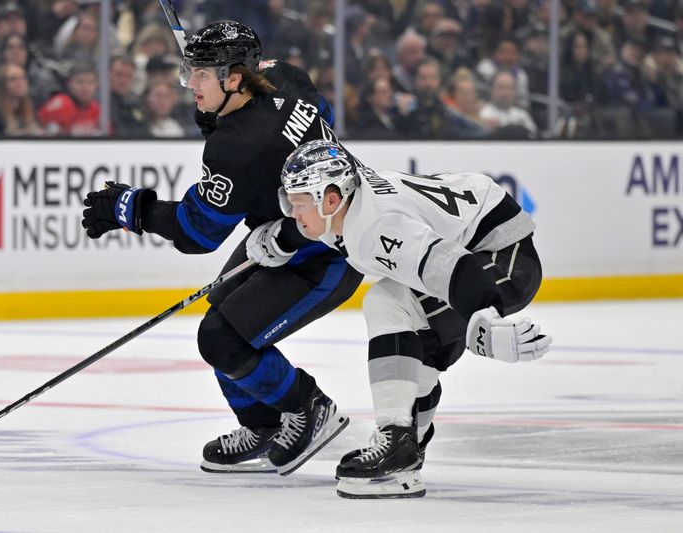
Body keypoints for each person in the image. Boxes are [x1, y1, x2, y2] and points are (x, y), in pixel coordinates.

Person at [80, 21, 364, 475]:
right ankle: (265, 424)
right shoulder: (287, 77)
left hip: (323, 256)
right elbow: (319, 113)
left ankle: (309, 407)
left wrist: (131, 209)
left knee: (222, 339)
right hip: (292, 237)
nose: (190, 84)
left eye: (201, 75)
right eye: (189, 71)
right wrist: (232, 118)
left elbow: (198, 234)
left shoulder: (239, 147)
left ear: (234, 78)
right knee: (221, 317)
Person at [269, 139, 551, 498]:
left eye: (298, 203)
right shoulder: (345, 201)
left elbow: (453, 265)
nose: (293, 213)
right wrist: (280, 238)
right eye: (289, 202)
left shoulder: (378, 227)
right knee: (416, 359)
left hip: (500, 259)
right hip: (479, 240)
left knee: (386, 302)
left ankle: (398, 440)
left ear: (331, 199)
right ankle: (406, 449)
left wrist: (486, 317)